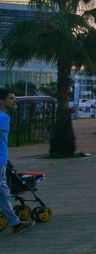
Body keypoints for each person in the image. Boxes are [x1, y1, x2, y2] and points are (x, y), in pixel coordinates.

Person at [0, 88, 35, 234]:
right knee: (3, 192)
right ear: (2, 101)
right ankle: (15, 223)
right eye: (11, 98)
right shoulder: (3, 117)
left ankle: (15, 223)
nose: (15, 100)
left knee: (3, 193)